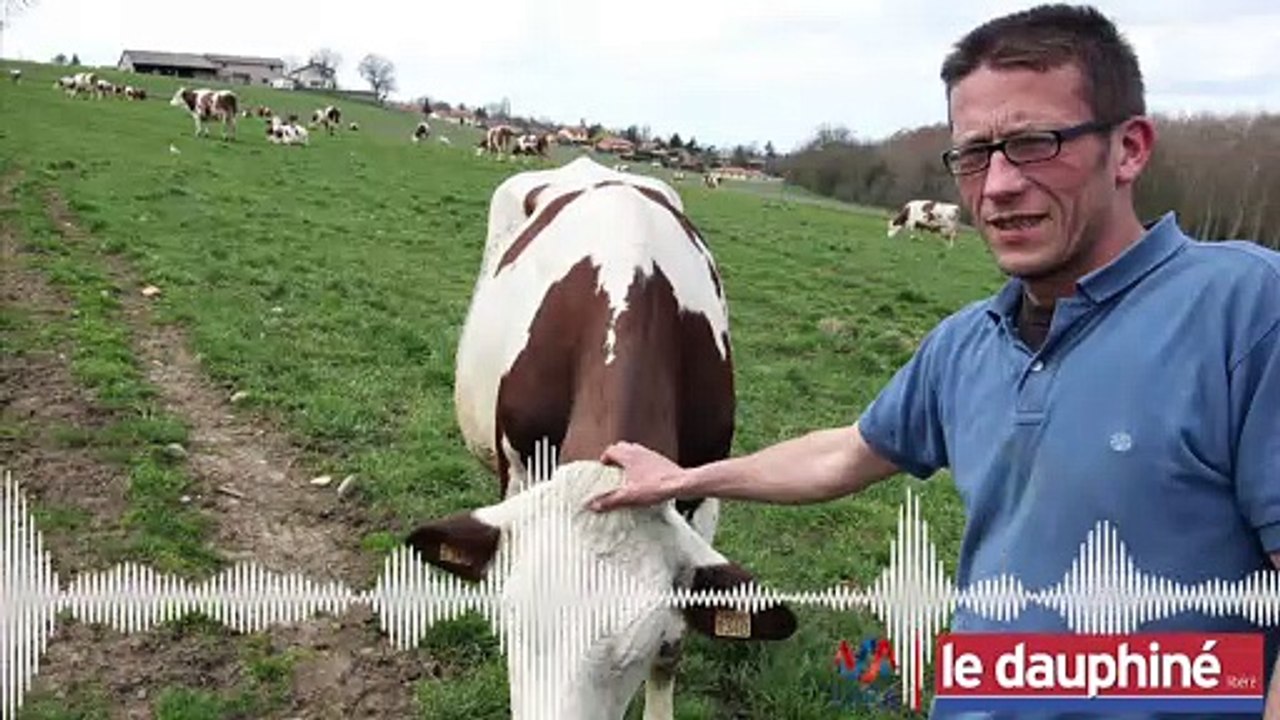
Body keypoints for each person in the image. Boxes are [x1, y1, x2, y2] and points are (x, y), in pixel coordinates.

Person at [586, 4, 1280, 719]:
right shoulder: (966, 342)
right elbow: (846, 454)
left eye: (1036, 143)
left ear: (1130, 148)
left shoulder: (1246, 309)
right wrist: (685, 478)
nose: (998, 186)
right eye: (975, 155)